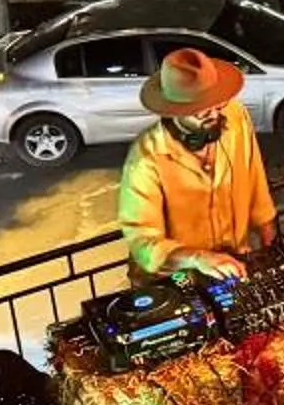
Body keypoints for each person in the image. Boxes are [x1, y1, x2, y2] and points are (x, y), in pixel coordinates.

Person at [118, 48, 275, 280]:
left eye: (218, 105)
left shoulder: (235, 115)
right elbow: (142, 241)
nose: (214, 115)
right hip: (184, 275)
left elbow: (254, 173)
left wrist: (266, 226)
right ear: (174, 111)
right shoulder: (146, 157)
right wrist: (197, 258)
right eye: (201, 112)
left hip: (235, 262)